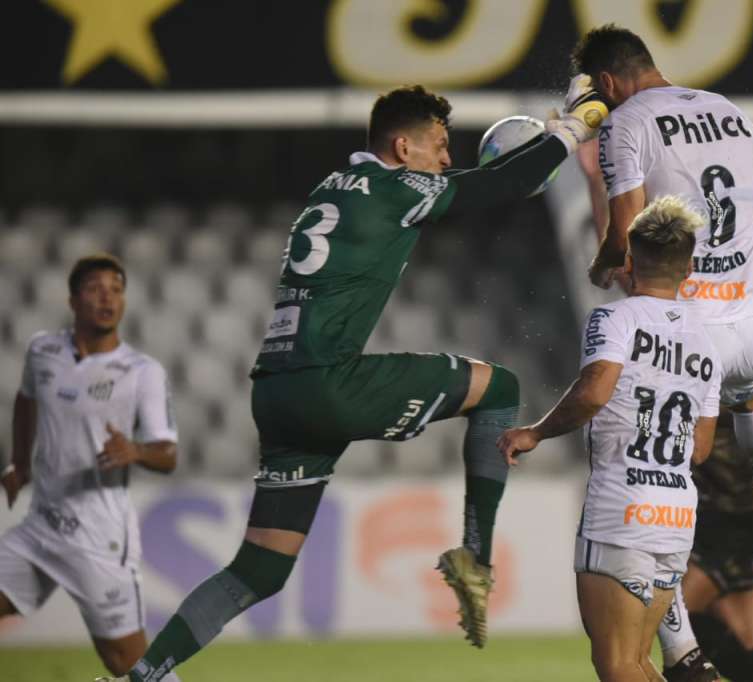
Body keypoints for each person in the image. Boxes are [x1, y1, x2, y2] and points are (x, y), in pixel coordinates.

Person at [97, 81, 607, 682]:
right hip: (329, 383)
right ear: (402, 146)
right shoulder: (393, 187)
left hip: (277, 391)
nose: (446, 159)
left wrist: (547, 135)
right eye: (439, 146)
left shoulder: (332, 189)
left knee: (259, 568)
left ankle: (145, 674)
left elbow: (486, 182)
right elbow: (499, 186)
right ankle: (475, 556)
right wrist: (573, 129)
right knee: (498, 388)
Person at [572, 25, 753, 524]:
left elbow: (626, 231)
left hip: (692, 325)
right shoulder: (727, 108)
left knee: (666, 454)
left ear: (606, 82)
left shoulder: (625, 122)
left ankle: (650, 546)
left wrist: (601, 267)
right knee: (751, 396)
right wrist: (749, 267)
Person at [499, 195, 722, 682]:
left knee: (618, 664)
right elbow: (701, 448)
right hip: (676, 512)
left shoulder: (614, 318)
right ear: (688, 267)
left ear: (628, 259)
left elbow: (595, 391)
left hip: (622, 507)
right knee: (639, 660)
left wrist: (537, 432)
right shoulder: (708, 341)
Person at [0, 254, 179, 679]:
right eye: (96, 288)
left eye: (116, 290)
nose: (108, 297)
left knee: (129, 665)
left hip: (99, 538)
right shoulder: (44, 350)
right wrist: (19, 462)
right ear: (73, 300)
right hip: (41, 524)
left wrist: (135, 451)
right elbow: (26, 400)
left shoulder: (142, 373)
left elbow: (167, 455)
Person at [657, 412, 753, 681]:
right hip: (720, 512)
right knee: (747, 638)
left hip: (731, 513)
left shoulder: (727, 382)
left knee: (675, 615)